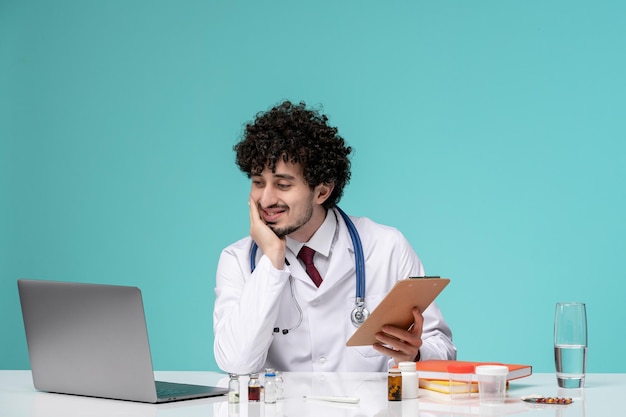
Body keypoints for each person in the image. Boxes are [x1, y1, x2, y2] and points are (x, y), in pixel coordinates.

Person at [213, 100, 455, 374]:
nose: (266, 199)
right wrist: (271, 261)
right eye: (258, 183)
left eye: (283, 185)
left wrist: (416, 354)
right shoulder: (237, 260)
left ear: (322, 191)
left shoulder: (386, 247)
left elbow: (443, 347)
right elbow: (235, 363)